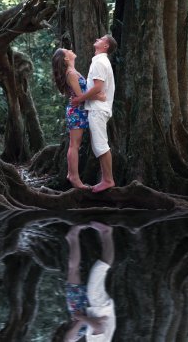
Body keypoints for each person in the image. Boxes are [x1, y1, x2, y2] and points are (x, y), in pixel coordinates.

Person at [52, 48, 105, 190]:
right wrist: (99, 96)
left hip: (79, 111)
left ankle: (72, 174)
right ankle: (73, 176)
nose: (70, 50)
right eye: (67, 51)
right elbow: (80, 96)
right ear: (65, 59)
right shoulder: (70, 74)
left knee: (75, 144)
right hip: (77, 111)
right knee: (74, 145)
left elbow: (81, 95)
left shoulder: (73, 72)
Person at [53, 222, 116, 342]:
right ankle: (106, 233)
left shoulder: (71, 339)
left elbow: (94, 325)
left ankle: (73, 236)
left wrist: (83, 319)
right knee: (98, 270)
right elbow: (99, 327)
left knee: (73, 272)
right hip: (97, 307)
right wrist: (82, 318)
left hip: (85, 312)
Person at [71, 35, 117, 193]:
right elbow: (97, 88)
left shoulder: (99, 61)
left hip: (98, 109)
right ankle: (107, 179)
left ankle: (108, 180)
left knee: (100, 145)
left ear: (106, 46)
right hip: (98, 107)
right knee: (99, 145)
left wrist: (79, 99)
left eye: (102, 39)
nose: (97, 38)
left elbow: (98, 87)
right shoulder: (100, 61)